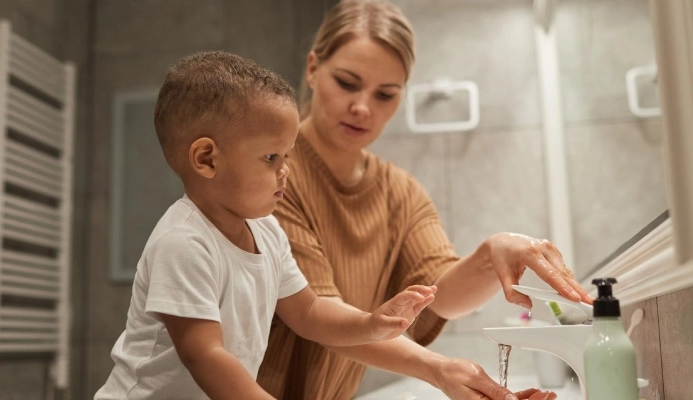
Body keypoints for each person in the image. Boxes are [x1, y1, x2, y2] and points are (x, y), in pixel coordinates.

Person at [255, 1, 593, 399]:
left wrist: (493, 253)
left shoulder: (400, 192)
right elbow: (317, 315)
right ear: (313, 68)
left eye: (385, 94)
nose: (363, 107)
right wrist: (438, 370)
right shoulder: (274, 175)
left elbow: (441, 295)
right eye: (347, 83)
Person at [93, 51, 441, 400]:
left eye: (287, 155)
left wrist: (371, 325)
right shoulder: (183, 243)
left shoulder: (268, 232)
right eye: (271, 157)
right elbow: (205, 356)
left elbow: (308, 312)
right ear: (207, 159)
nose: (285, 170)